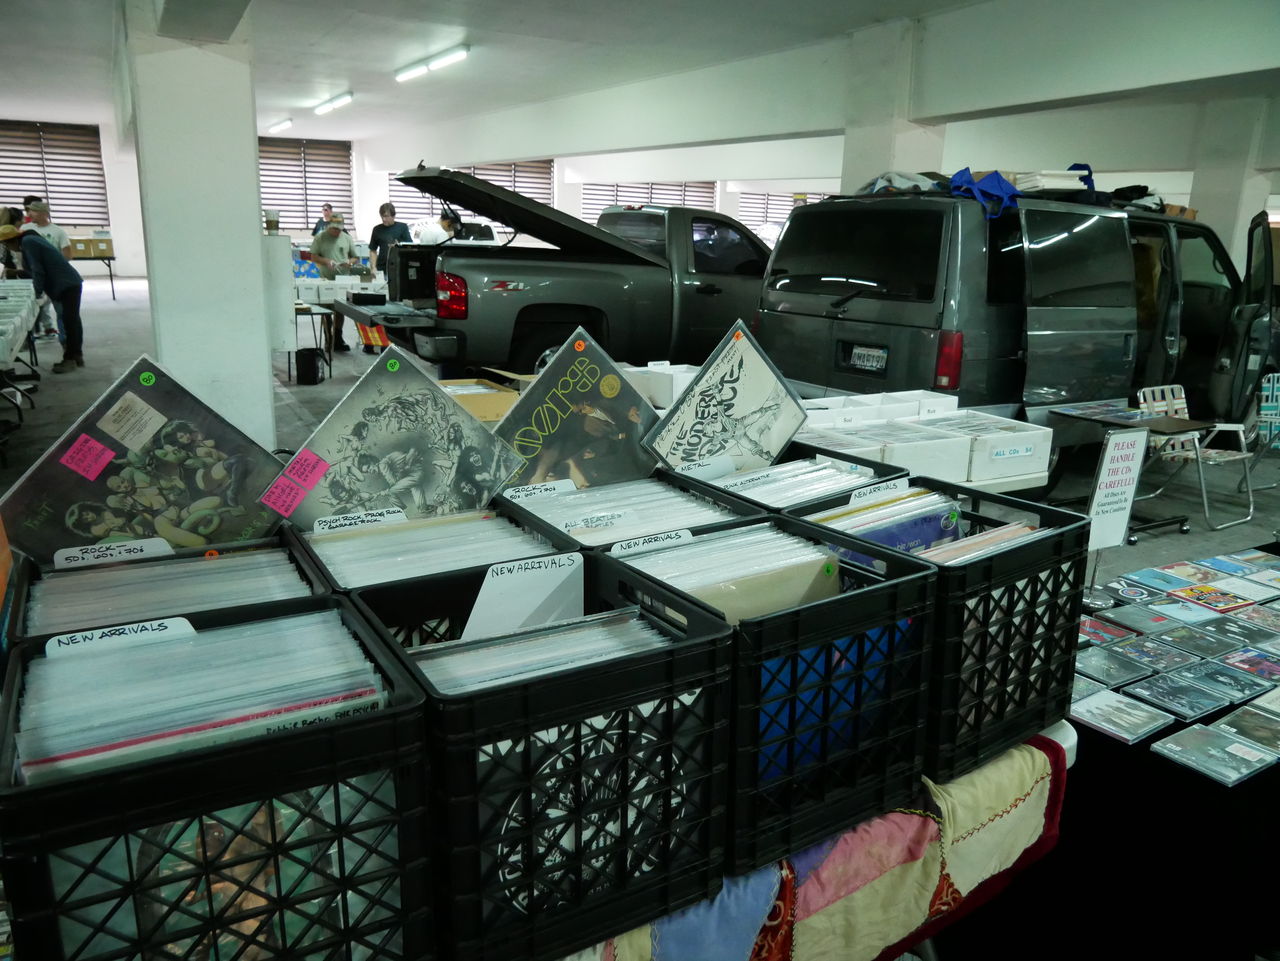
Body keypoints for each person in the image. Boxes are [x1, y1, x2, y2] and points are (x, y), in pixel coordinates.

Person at [0, 224, 83, 372]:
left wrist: (36, 294)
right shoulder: (30, 240)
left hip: (66, 285)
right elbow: (36, 269)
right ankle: (76, 357)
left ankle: (70, 359)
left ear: (11, 241)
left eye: (6, 245)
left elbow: (38, 271)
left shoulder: (28, 242)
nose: (9, 249)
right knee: (71, 321)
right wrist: (16, 272)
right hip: (67, 283)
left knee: (69, 322)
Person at [309, 213, 359, 351]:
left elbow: (355, 257)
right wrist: (326, 261)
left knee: (340, 310)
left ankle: (337, 339)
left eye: (339, 229)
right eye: (334, 229)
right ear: (329, 226)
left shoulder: (347, 238)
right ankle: (328, 339)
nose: (337, 232)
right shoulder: (320, 237)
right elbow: (313, 256)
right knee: (326, 310)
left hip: (342, 280)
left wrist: (349, 262)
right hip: (326, 280)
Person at [21, 200, 71, 339]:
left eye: (33, 211)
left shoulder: (58, 231)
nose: (29, 214)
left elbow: (67, 255)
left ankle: (64, 339)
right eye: (29, 211)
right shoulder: (25, 229)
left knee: (60, 310)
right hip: (34, 275)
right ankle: (33, 336)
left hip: (54, 278)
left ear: (44, 213)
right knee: (32, 309)